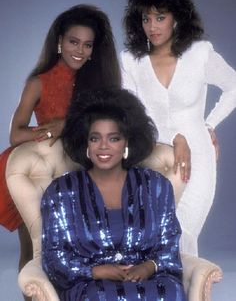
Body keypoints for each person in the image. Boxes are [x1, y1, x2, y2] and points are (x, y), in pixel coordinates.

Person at [0, 4, 121, 290]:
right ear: (59, 42)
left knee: (77, 252)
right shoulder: (38, 82)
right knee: (33, 251)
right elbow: (15, 134)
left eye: (87, 44)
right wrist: (48, 130)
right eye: (73, 41)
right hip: (35, 172)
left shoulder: (99, 82)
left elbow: (110, 125)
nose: (80, 50)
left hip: (77, 170)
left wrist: (66, 124)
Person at [121, 0, 236, 256]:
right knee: (156, 233)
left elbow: (234, 85)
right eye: (146, 19)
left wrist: (208, 125)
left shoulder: (199, 54)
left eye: (160, 17)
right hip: (151, 155)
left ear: (177, 18)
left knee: (185, 231)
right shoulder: (131, 61)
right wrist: (173, 140)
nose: (152, 26)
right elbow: (130, 114)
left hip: (198, 155)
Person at [41, 88, 186, 301]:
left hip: (150, 283)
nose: (103, 147)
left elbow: (169, 243)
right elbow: (53, 257)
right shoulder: (62, 191)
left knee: (171, 292)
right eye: (95, 138)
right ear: (86, 144)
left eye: (114, 138)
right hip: (91, 286)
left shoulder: (155, 186)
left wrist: (148, 267)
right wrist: (95, 271)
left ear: (126, 142)